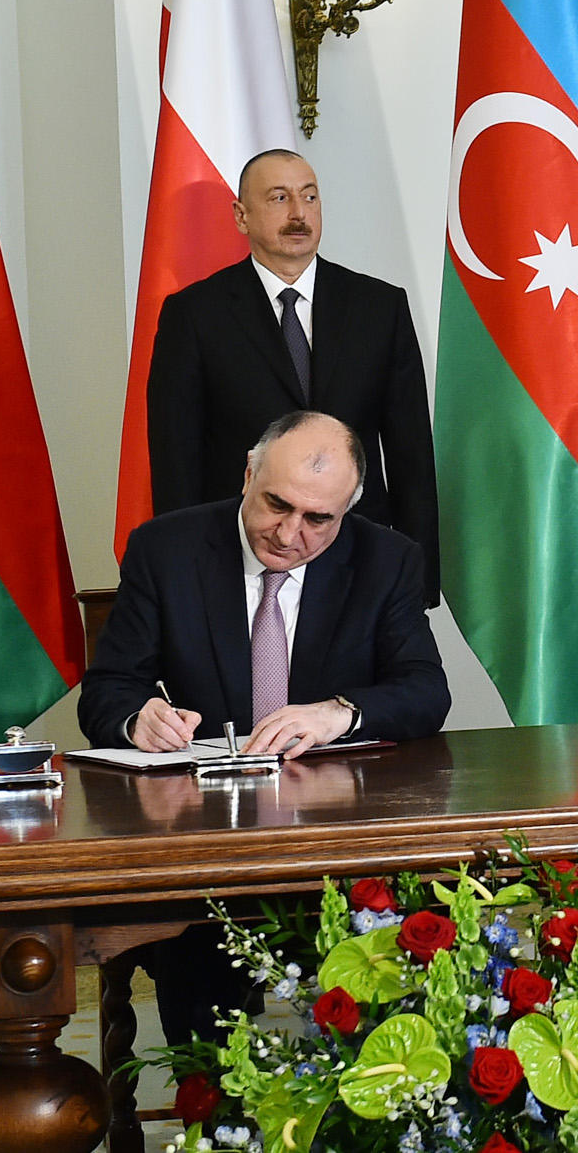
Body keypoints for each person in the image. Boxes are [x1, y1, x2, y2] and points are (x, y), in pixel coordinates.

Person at [81, 410, 449, 1043]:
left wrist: (338, 712)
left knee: (389, 975)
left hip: (337, 838)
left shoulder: (387, 559)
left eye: (318, 519)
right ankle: (210, 1094)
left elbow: (425, 690)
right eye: (277, 505)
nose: (288, 534)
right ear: (249, 474)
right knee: (200, 988)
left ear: (346, 511)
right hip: (206, 842)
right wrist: (139, 718)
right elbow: (107, 691)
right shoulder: (166, 550)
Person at [147, 149, 441, 604]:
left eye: (309, 196)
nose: (299, 214)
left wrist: (416, 581)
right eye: (279, 198)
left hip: (358, 557)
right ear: (241, 216)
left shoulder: (380, 307)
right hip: (241, 558)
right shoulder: (194, 315)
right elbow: (176, 460)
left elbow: (412, 455)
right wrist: (184, 578)